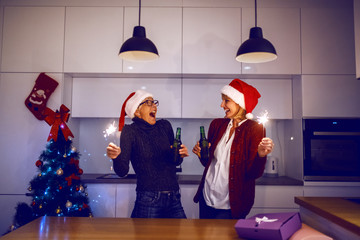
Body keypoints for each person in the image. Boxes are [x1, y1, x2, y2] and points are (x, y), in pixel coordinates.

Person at [192, 79, 274, 219]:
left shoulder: (255, 129)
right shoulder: (216, 125)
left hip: (232, 204)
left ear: (239, 103)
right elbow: (209, 163)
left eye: (226, 100)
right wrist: (202, 154)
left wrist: (260, 155)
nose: (221, 105)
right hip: (206, 198)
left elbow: (253, 173)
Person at [106, 89, 189, 218]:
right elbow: (122, 171)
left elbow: (176, 161)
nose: (154, 106)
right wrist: (115, 157)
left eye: (154, 102)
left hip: (174, 197)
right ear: (137, 112)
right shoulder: (130, 131)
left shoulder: (165, 126)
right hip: (149, 199)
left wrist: (180, 154)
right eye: (148, 102)